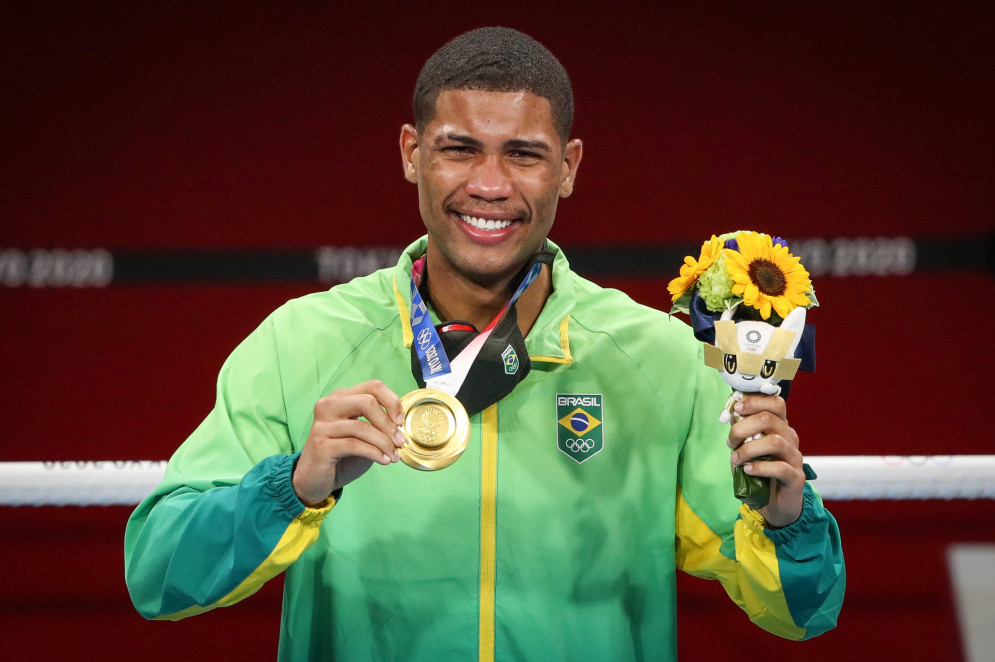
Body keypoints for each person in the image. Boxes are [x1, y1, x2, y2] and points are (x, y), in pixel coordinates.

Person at [125, 26, 844, 661]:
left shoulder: (657, 357)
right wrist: (296, 486)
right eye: (459, 150)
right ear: (412, 154)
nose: (490, 185)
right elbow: (158, 577)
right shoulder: (302, 341)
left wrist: (785, 519)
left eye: (524, 155)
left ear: (568, 166)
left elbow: (803, 615)